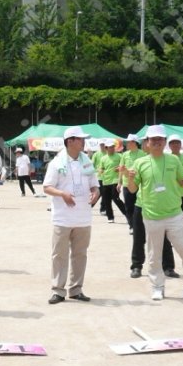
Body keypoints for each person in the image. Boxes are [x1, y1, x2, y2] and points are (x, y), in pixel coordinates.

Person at [126, 125, 183, 301]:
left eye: (160, 139)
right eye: (153, 139)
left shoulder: (174, 161)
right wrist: (129, 178)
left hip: (174, 214)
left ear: (164, 142)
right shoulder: (140, 163)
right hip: (151, 215)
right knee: (154, 255)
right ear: (147, 143)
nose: (157, 142)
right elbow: (132, 189)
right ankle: (157, 286)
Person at [42, 126, 100, 304]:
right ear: (70, 141)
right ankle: (58, 290)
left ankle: (76, 289)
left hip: (83, 217)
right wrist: (63, 194)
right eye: (80, 139)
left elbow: (94, 184)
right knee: (59, 254)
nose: (84, 142)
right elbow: (47, 187)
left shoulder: (87, 161)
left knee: (80, 254)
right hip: (63, 217)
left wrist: (96, 192)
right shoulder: (56, 163)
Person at [160, 134, 183, 276]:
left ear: (180, 144)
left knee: (180, 221)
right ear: (169, 145)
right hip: (170, 196)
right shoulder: (166, 159)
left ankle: (174, 240)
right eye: (172, 143)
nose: (175, 145)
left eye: (177, 143)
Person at [117, 134, 145, 234]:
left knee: (140, 206)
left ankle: (139, 225)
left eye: (128, 142)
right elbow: (121, 169)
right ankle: (131, 226)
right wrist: (119, 182)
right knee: (129, 206)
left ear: (134, 142)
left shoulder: (143, 153)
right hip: (126, 184)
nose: (127, 144)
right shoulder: (125, 154)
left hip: (139, 184)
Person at [96, 140, 127, 224]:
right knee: (106, 200)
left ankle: (127, 214)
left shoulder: (119, 156)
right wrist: (100, 170)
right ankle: (110, 217)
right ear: (106, 148)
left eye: (113, 147)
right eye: (110, 147)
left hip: (116, 180)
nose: (112, 149)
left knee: (116, 198)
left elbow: (124, 165)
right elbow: (100, 168)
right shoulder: (103, 158)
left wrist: (119, 168)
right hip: (105, 181)